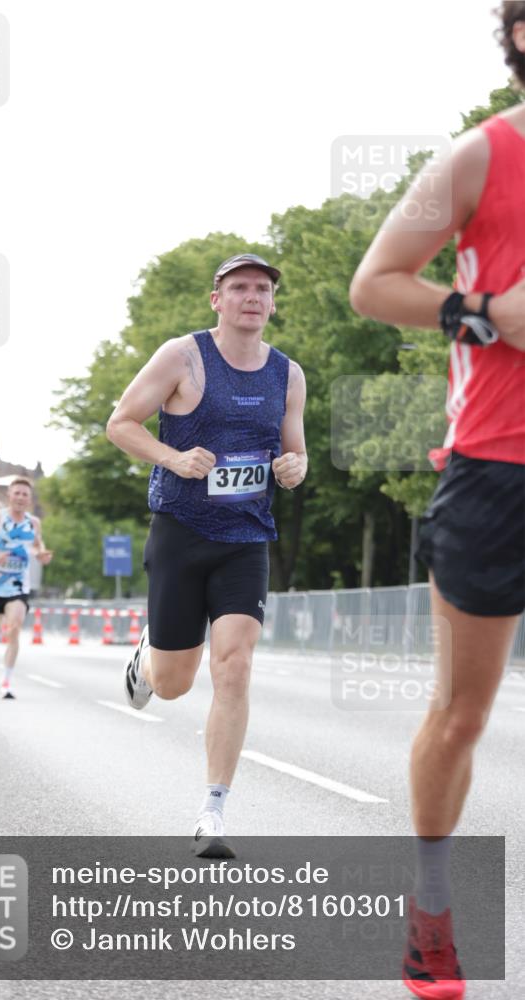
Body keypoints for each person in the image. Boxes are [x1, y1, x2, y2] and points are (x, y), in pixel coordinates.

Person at [349, 6, 525, 997]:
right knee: (460, 716)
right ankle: (429, 910)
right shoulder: (476, 157)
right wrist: (490, 313)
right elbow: (375, 284)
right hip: (495, 470)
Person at [106, 252, 308, 858]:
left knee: (235, 665)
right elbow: (121, 423)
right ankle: (148, 658)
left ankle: (213, 810)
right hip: (182, 532)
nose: (252, 296)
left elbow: (293, 456)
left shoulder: (288, 375)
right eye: (239, 287)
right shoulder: (183, 356)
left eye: (263, 288)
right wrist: (173, 457)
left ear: (272, 304)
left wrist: (294, 468)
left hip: (247, 537)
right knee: (172, 685)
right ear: (216, 299)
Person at [0, 478, 53, 699]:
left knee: (15, 627)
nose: (21, 498)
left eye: (25, 494)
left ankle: (6, 681)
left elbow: (35, 545)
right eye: (17, 493)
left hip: (18, 585)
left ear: (29, 499)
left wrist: (41, 554)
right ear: (9, 496)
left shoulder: (33, 523)